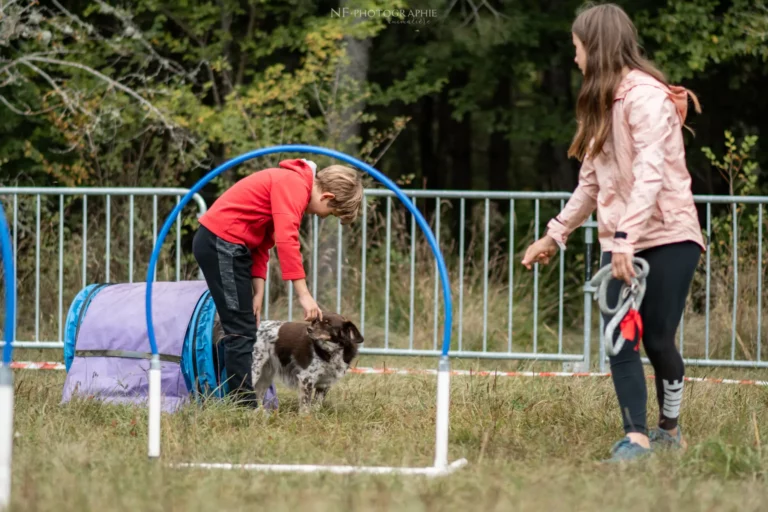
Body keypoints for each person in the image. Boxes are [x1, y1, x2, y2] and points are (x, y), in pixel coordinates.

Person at [521, 2, 705, 462]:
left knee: (658, 337)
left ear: (595, 46)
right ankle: (635, 438)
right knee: (619, 338)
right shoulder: (598, 103)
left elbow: (650, 171)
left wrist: (626, 237)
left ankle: (669, 427)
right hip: (619, 239)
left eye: (577, 48)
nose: (574, 58)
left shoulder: (646, 97)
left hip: (669, 235)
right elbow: (590, 182)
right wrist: (555, 235)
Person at [193, 158, 364, 407]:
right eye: (331, 212)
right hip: (221, 243)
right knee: (240, 329)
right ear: (327, 196)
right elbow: (287, 240)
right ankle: (243, 406)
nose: (323, 216)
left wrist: (258, 290)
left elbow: (263, 241)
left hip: (234, 248)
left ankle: (233, 396)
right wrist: (303, 294)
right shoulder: (294, 185)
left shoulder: (294, 186)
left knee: (245, 325)